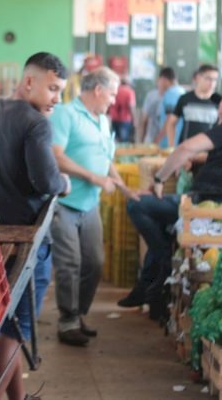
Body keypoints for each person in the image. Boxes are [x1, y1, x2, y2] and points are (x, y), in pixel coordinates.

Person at [0, 52, 70, 400]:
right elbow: (44, 179)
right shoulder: (36, 123)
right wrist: (62, 181)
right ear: (29, 81)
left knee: (2, 323)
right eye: (52, 88)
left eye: (61, 91)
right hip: (26, 244)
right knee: (14, 329)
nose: (57, 98)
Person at [118, 88, 222, 318]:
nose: (220, 112)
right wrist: (197, 162)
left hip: (204, 208)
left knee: (138, 204)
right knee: (163, 228)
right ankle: (152, 292)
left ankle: (159, 267)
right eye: (219, 107)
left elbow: (185, 147)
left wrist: (159, 178)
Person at [50, 67, 136, 347]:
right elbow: (57, 158)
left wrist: (123, 186)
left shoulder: (103, 120)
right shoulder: (65, 114)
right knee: (70, 264)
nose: (114, 100)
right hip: (65, 203)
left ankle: (78, 314)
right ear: (97, 90)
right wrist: (93, 177)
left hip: (91, 205)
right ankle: (67, 321)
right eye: (112, 93)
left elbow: (105, 158)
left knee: (95, 263)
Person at [163, 64, 220, 147]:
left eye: (215, 80)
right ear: (198, 78)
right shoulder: (185, 99)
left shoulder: (220, 102)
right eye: (208, 79)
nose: (212, 83)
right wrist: (171, 146)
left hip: (209, 154)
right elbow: (171, 123)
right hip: (185, 152)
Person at [109, 77, 136, 143]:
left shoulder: (115, 90)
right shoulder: (130, 91)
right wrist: (134, 119)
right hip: (125, 119)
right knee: (124, 141)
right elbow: (131, 106)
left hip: (114, 118)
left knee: (115, 139)